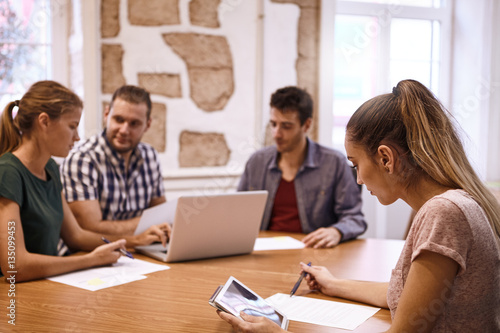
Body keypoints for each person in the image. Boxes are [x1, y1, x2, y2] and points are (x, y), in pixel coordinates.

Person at [218, 79, 500, 332]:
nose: (359, 179)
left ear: (386, 159)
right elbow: (402, 295)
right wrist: (334, 284)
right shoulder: (457, 202)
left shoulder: (443, 213)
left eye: (355, 164)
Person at [0, 81, 166, 282]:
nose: (77, 137)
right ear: (44, 122)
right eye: (72, 126)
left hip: (45, 284)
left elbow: (76, 236)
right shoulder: (8, 172)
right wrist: (91, 260)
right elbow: (14, 266)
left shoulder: (51, 168)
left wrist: (133, 241)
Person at [238, 86, 366, 248]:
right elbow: (238, 214)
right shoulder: (257, 162)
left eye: (286, 126)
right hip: (262, 253)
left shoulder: (333, 163)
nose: (276, 133)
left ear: (306, 125)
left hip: (313, 253)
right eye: (273, 124)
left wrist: (336, 231)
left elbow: (355, 218)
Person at [60, 85, 170, 238]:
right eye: (119, 119)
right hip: (92, 255)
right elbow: (88, 227)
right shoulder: (82, 160)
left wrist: (160, 224)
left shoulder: (150, 156)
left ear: (148, 125)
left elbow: (161, 213)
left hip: (140, 251)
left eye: (134, 123)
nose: (124, 130)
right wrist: (150, 224)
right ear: (106, 114)